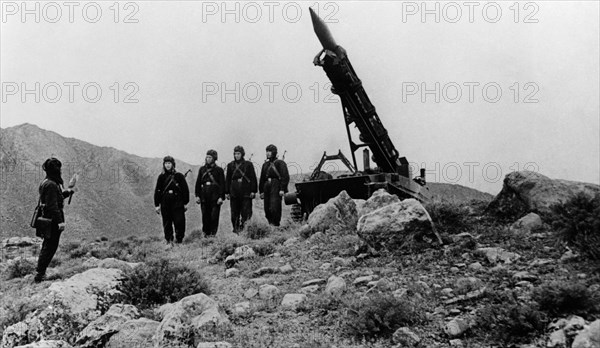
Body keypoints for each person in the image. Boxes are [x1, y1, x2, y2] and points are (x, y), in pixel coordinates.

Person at [35, 157, 73, 282]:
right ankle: (40, 274)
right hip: (52, 220)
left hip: (47, 219)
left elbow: (55, 199)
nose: (60, 171)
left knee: (47, 245)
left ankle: (40, 272)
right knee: (50, 246)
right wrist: (60, 222)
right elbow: (52, 206)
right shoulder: (51, 184)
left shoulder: (47, 182)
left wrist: (67, 193)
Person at [153, 156, 190, 246]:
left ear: (173, 164)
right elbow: (157, 190)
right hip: (165, 202)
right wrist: (157, 205)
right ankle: (169, 241)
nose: (167, 165)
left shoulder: (179, 176)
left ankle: (179, 240)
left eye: (169, 163)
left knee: (179, 221)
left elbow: (185, 190)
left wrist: (185, 203)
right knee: (167, 222)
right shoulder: (161, 177)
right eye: (166, 163)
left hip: (177, 202)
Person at [225, 146, 258, 233]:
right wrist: (227, 192)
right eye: (235, 154)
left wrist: (253, 191)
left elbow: (253, 178)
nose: (237, 155)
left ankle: (245, 231)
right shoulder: (230, 165)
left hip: (246, 192)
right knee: (234, 213)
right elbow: (228, 179)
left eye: (238, 153)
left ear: (242, 154)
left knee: (246, 213)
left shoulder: (248, 164)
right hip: (234, 192)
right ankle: (236, 231)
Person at [195, 150, 225, 236]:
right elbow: (198, 184)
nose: (208, 159)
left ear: (214, 158)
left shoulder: (219, 170)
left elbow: (222, 184)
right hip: (204, 195)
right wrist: (197, 196)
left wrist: (221, 197)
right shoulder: (202, 169)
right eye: (207, 157)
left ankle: (212, 235)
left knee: (214, 217)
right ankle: (206, 235)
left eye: (210, 157)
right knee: (205, 216)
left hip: (215, 196)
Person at [259, 144, 290, 226]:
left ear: (274, 152)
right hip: (266, 186)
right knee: (267, 209)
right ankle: (270, 224)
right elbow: (262, 179)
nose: (268, 153)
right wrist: (261, 191)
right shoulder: (265, 165)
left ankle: (276, 225)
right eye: (267, 151)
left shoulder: (280, 163)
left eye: (270, 151)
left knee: (274, 207)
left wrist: (282, 189)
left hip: (276, 186)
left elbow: (285, 176)